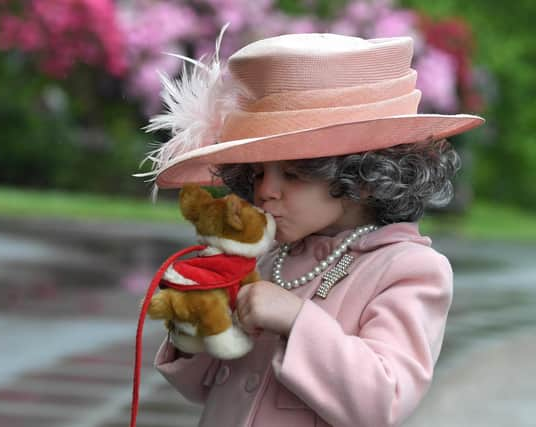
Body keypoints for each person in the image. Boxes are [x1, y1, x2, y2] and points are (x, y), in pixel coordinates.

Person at [139, 29, 484, 427]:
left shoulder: (409, 270)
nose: (265, 191)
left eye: (293, 174)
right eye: (256, 172)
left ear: (363, 175)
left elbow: (383, 400)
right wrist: (195, 326)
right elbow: (205, 388)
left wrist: (296, 319)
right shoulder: (266, 256)